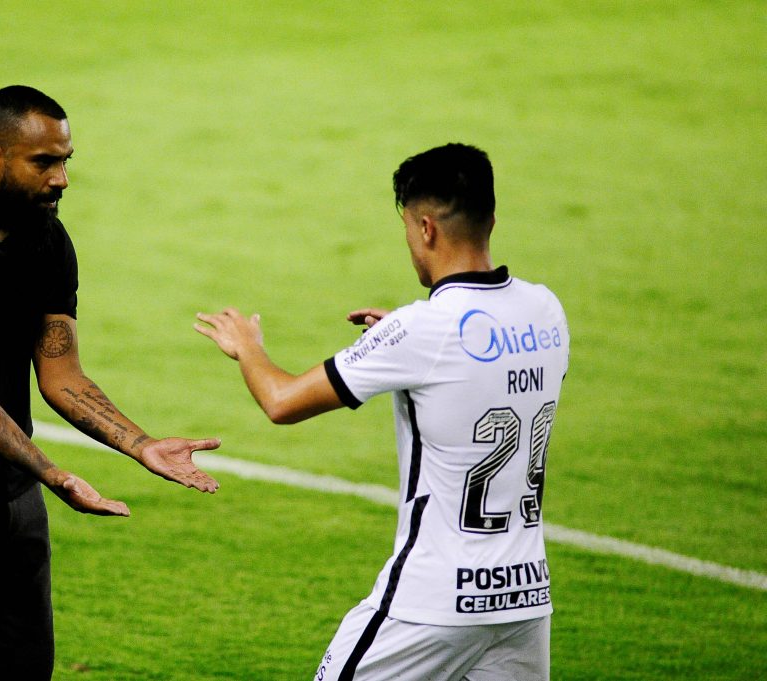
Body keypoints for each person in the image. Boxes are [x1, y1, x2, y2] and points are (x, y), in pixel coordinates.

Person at [0, 85, 221, 681]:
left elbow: (62, 373)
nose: (62, 179)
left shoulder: (46, 239)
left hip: (10, 487)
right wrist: (54, 475)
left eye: (66, 160)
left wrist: (140, 444)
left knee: (25, 665)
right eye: (45, 162)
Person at [195, 143, 569, 681]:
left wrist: (247, 345)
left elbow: (281, 402)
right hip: (523, 600)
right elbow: (487, 373)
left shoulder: (422, 329)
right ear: (491, 217)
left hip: (432, 603)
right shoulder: (546, 310)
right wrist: (403, 341)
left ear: (425, 229)